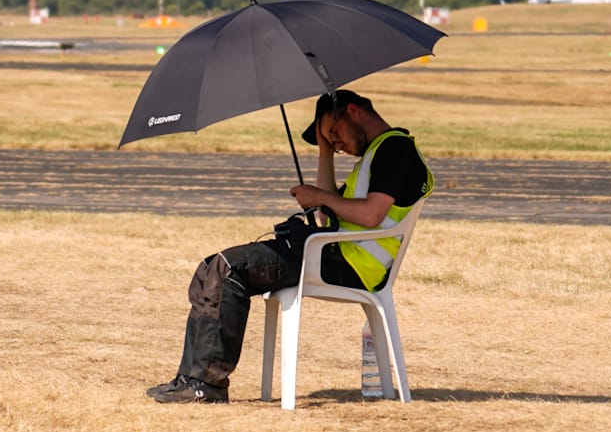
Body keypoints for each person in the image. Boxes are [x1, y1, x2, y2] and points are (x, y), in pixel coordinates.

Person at [147, 89, 433, 403]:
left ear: (353, 111)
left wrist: (320, 197)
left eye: (335, 135)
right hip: (335, 256)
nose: (338, 145)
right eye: (332, 141)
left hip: (349, 264)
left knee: (227, 269)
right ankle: (191, 378)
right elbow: (328, 216)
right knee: (211, 267)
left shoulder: (394, 150)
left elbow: (371, 213)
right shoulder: (377, 155)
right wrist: (324, 151)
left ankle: (206, 386)